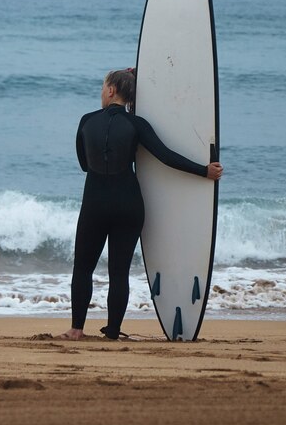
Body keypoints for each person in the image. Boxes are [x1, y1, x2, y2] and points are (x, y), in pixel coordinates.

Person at [59, 68, 223, 341]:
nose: (101, 92)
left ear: (111, 90)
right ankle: (112, 332)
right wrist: (203, 171)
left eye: (103, 87)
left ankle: (76, 329)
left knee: (83, 267)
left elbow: (84, 164)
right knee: (119, 271)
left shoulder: (86, 122)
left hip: (95, 203)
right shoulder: (137, 125)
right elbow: (166, 156)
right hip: (129, 205)